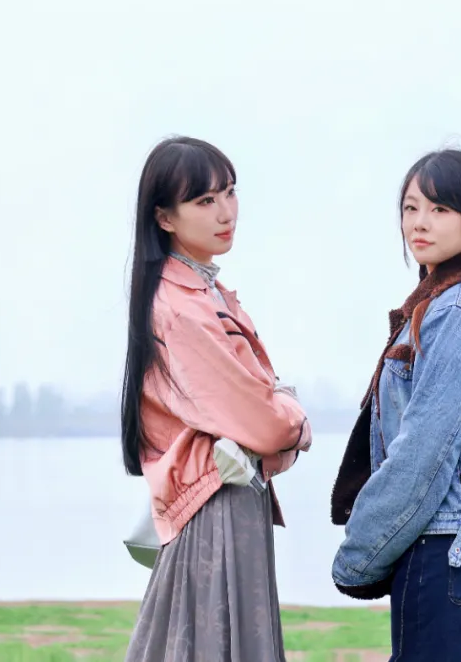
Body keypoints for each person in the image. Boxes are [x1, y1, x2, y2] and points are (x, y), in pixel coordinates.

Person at [330, 148, 461, 661]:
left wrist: (358, 556)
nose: (419, 223)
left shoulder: (457, 311)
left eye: (440, 209)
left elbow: (424, 453)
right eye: (410, 207)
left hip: (454, 546)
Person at [121, 135, 311, 662]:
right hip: (214, 506)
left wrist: (275, 417)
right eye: (205, 200)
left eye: (229, 192)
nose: (226, 212)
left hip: (224, 498)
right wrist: (295, 417)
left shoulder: (203, 293)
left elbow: (258, 417)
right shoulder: (183, 308)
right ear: (164, 218)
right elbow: (268, 424)